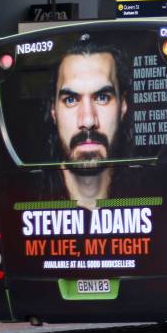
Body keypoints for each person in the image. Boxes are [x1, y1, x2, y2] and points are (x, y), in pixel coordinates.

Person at [46, 36, 131, 210]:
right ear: (53, 111)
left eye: (102, 98)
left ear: (122, 107)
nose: (88, 120)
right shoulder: (23, 197)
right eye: (70, 99)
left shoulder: (155, 196)